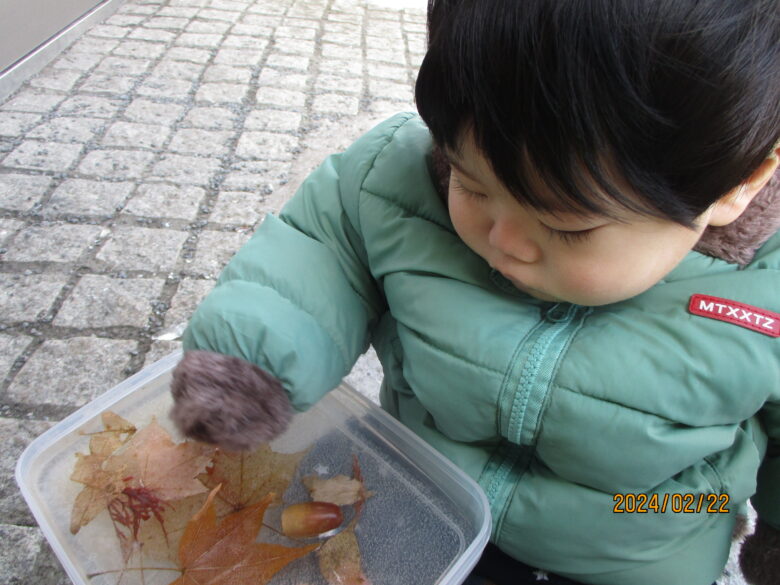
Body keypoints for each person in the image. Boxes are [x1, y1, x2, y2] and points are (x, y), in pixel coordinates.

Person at [168, 1, 780, 583]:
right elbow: (326, 246)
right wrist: (252, 359)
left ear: (738, 184)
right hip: (422, 490)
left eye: (567, 225)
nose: (503, 239)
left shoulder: (766, 290)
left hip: (634, 538)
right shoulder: (400, 179)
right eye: (471, 182)